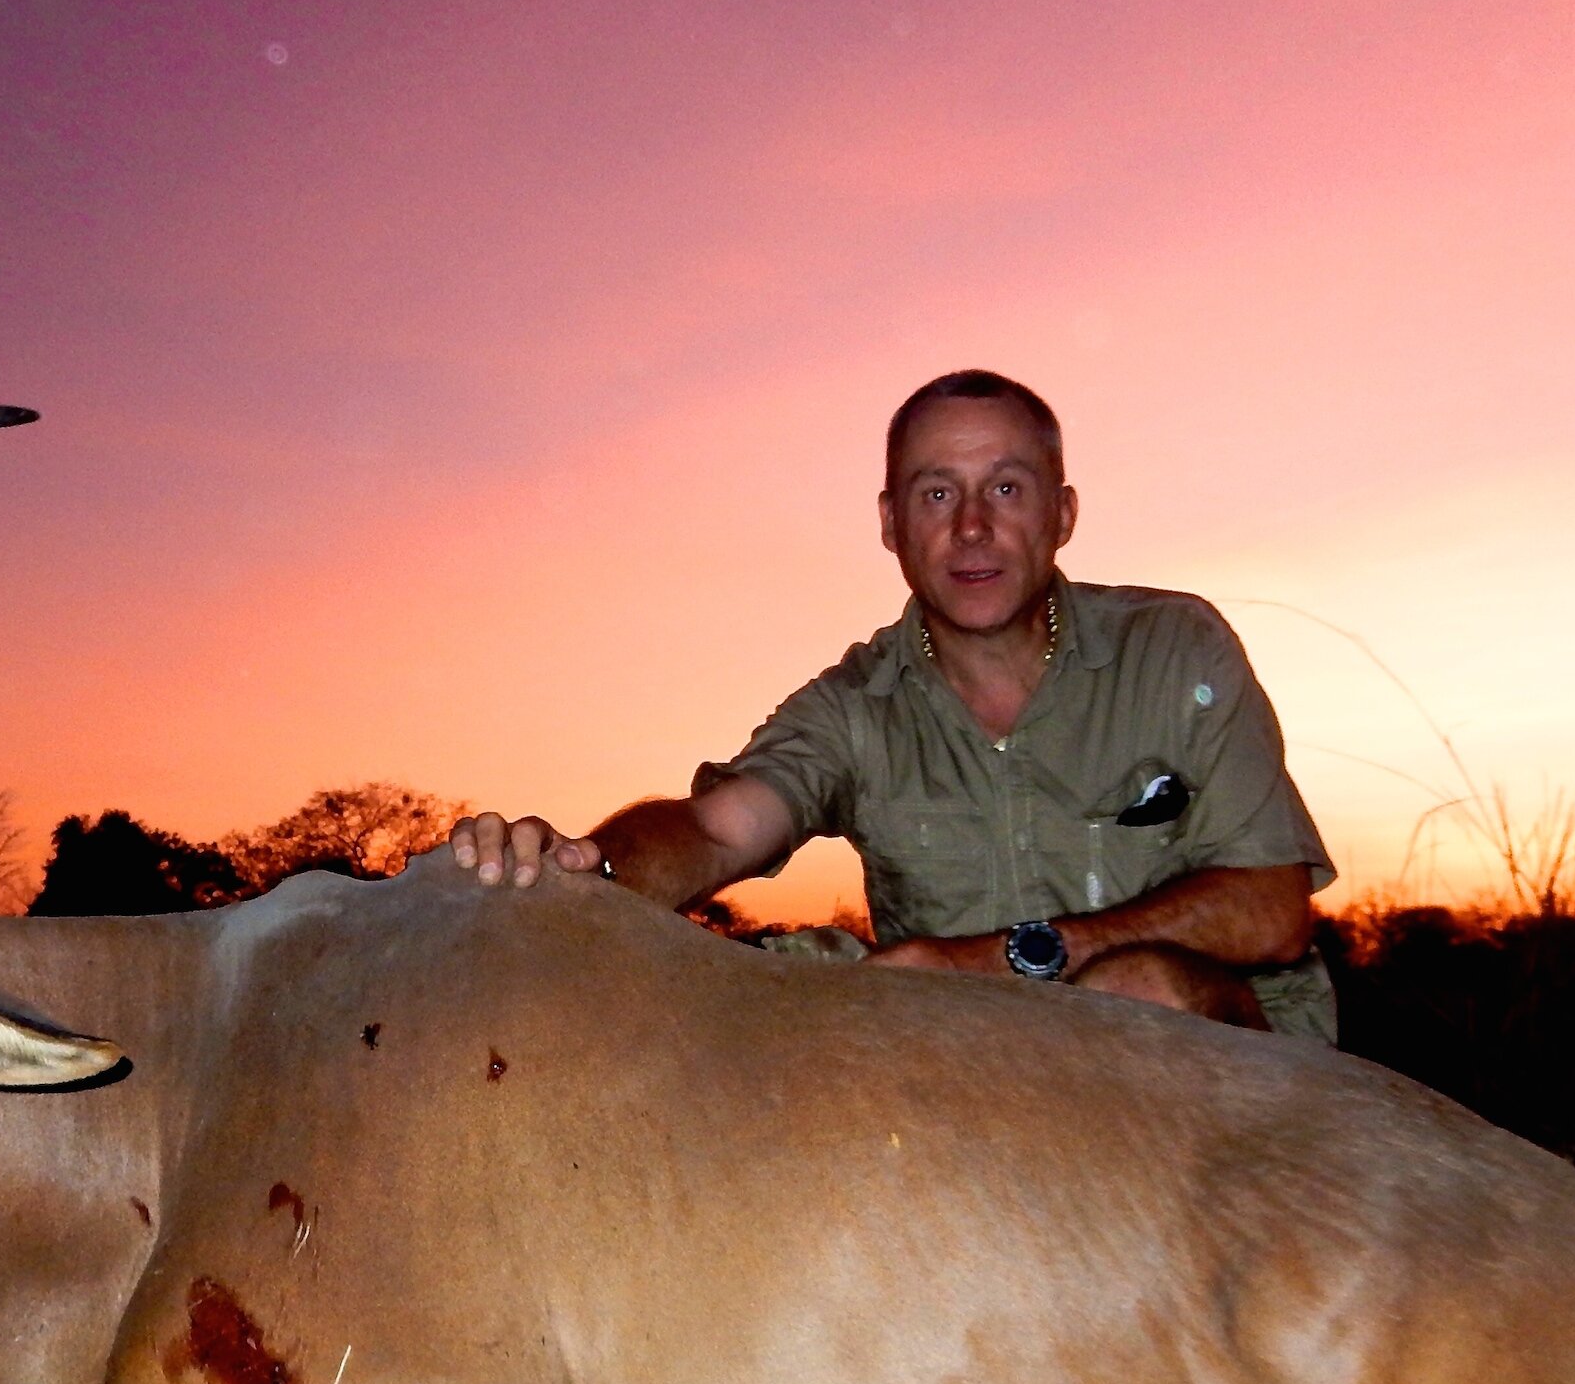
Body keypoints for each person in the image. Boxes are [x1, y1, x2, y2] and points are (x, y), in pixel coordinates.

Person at [451, 369, 1337, 1040]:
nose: (972, 527)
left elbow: (1270, 907)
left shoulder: (1176, 646)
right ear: (891, 524)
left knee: (1132, 989)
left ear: (1061, 514)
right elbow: (719, 828)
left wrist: (993, 963)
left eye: (1006, 488)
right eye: (937, 493)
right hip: (973, 1068)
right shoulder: (852, 706)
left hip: (1231, 1065)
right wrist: (588, 869)